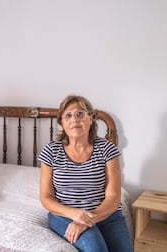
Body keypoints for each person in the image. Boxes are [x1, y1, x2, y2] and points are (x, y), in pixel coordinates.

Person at [38, 95, 132, 252]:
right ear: (62, 122)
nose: (74, 119)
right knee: (97, 249)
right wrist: (74, 214)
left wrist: (84, 221)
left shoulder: (107, 149)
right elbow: (46, 197)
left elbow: (113, 198)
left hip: (106, 215)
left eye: (80, 114)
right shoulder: (51, 151)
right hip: (64, 215)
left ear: (91, 118)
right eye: (68, 115)